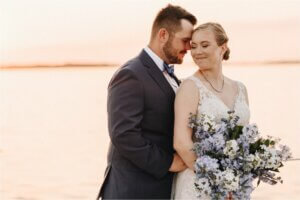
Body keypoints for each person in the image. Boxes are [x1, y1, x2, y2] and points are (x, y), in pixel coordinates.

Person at [97, 4, 197, 199]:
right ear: (163, 35)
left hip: (158, 188)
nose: (188, 48)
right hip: (133, 189)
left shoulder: (171, 77)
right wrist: (168, 163)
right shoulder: (131, 74)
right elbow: (124, 134)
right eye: (185, 40)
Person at [172, 22, 250, 199]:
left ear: (223, 48)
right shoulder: (190, 87)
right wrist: (219, 181)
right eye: (193, 46)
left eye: (205, 45)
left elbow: (244, 140)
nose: (197, 52)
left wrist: (239, 176)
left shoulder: (240, 88)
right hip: (199, 184)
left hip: (235, 184)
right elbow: (181, 143)